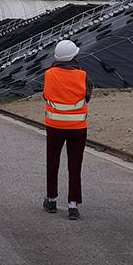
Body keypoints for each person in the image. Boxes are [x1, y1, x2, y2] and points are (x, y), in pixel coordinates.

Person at [42, 39, 92, 220]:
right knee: (74, 166)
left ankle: (52, 200)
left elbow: (46, 95)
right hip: (78, 128)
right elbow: (87, 97)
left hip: (55, 126)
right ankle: (73, 206)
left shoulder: (49, 74)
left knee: (53, 163)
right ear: (73, 56)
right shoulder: (82, 75)